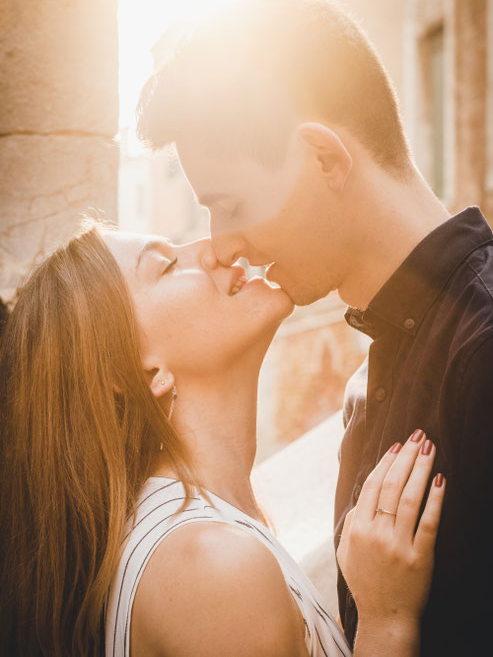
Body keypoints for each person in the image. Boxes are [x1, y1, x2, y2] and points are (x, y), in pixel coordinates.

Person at [136, 0, 493, 656]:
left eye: (231, 203)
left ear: (324, 157)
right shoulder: (373, 376)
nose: (223, 244)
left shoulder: (481, 353)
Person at [0, 224, 444, 656]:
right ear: (147, 372)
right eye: (168, 265)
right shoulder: (210, 567)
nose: (214, 249)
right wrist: (387, 620)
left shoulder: (201, 537)